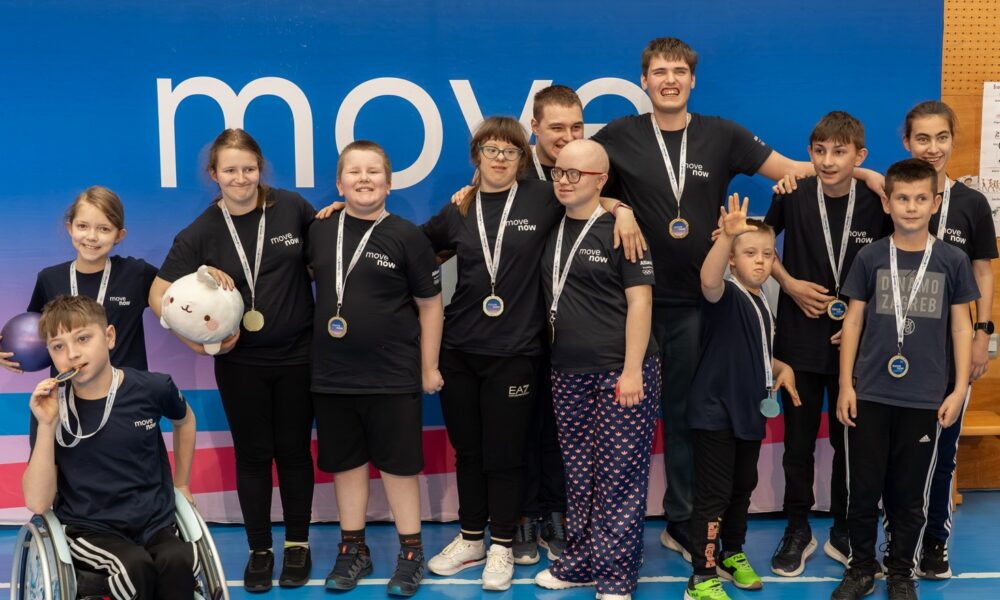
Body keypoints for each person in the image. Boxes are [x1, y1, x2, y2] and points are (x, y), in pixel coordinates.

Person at [590, 37, 883, 558]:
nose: (670, 79)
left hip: (699, 306)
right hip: (631, 300)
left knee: (687, 418)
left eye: (679, 70)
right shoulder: (618, 135)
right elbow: (575, 185)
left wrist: (862, 173)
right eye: (659, 71)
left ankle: (683, 521)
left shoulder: (720, 134)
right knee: (622, 415)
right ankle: (608, 527)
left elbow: (798, 168)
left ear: (693, 80)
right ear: (644, 80)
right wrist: (620, 207)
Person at [421, 116, 639, 591]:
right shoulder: (460, 208)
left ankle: (502, 545)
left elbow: (589, 200)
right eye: (490, 149)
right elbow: (417, 247)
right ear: (476, 156)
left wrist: (622, 210)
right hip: (460, 347)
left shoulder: (543, 198)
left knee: (505, 454)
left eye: (510, 150)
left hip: (517, 351)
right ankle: (471, 537)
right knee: (469, 452)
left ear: (523, 158)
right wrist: (348, 217)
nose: (499, 158)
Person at [149, 128, 316, 592]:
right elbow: (158, 294)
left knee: (295, 451)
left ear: (259, 168)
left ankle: (298, 546)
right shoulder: (202, 231)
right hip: (241, 364)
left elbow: (328, 245)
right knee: (254, 455)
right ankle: (260, 550)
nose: (240, 178)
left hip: (299, 355)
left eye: (248, 168)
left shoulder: (291, 208)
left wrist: (342, 212)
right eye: (230, 170)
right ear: (214, 174)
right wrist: (201, 345)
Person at [833, 159, 977, 600]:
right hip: (871, 392)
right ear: (887, 201)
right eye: (902, 198)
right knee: (863, 490)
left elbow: (960, 328)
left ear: (935, 204)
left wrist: (957, 390)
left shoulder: (952, 260)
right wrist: (845, 385)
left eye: (920, 199)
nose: (911, 208)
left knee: (910, 495)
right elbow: (852, 324)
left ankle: (900, 572)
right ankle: (860, 567)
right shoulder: (871, 256)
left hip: (925, 398)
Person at [306, 140, 444, 597]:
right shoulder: (320, 230)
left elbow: (430, 306)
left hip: (393, 374)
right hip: (332, 375)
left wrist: (427, 368)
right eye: (354, 172)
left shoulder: (407, 236)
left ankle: (410, 553)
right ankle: (353, 550)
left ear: (389, 182)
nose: (364, 179)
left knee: (399, 468)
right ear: (339, 182)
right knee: (346, 466)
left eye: (373, 172)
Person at [530, 139, 659, 600]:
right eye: (559, 173)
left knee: (620, 475)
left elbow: (640, 302)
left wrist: (632, 370)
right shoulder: (552, 221)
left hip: (619, 371)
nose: (563, 181)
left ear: (601, 180)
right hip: (567, 371)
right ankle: (583, 561)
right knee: (580, 473)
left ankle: (617, 575)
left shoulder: (623, 230)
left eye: (575, 175)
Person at [765, 112, 892, 575]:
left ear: (859, 156)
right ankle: (797, 527)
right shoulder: (794, 192)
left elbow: (891, 267)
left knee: (849, 443)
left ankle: (843, 529)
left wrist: (864, 319)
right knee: (797, 444)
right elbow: (761, 246)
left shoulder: (878, 200)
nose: (827, 160)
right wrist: (790, 283)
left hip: (854, 344)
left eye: (839, 152)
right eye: (819, 150)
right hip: (798, 338)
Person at [22, 295, 197, 600]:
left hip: (153, 522)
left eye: (83, 338)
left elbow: (185, 420)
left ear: (109, 337)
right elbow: (38, 503)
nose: (72, 354)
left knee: (179, 560)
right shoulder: (50, 407)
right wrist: (47, 425)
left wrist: (181, 482)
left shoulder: (153, 388)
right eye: (58, 346)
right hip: (90, 528)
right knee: (134, 567)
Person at [894, 100, 997, 580]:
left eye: (941, 138)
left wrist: (984, 334)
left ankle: (935, 541)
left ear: (954, 140)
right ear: (906, 142)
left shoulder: (972, 203)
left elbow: (983, 271)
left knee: (943, 449)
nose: (932, 148)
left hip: (953, 346)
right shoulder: (892, 193)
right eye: (922, 139)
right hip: (895, 348)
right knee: (897, 451)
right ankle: (897, 540)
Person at [684, 196, 800, 600]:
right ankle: (702, 576)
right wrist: (726, 239)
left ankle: (732, 552)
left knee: (742, 488)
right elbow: (708, 280)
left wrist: (779, 367)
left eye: (767, 254)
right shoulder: (727, 293)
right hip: (715, 412)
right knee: (714, 496)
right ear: (733, 260)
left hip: (749, 413)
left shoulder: (762, 300)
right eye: (750, 253)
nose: (760, 261)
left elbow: (755, 351)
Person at [515, 84, 585, 565]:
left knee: (564, 431)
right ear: (535, 128)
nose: (566, 137)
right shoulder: (511, 176)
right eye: (556, 127)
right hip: (517, 327)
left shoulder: (592, 171)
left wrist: (621, 210)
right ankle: (523, 514)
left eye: (575, 127)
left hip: (574, 328)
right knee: (520, 426)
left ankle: (558, 512)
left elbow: (612, 207)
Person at [2, 186, 159, 373]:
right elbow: (33, 337)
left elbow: (180, 297)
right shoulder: (49, 278)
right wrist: (7, 348)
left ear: (119, 235)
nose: (92, 237)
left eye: (104, 229)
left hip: (129, 395)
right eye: (82, 226)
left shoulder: (136, 274)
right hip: (69, 395)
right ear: (70, 228)